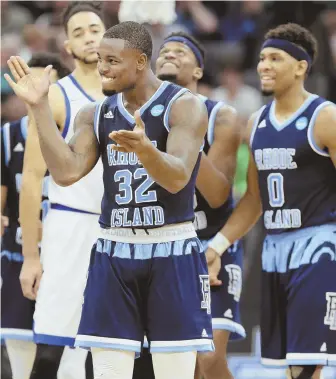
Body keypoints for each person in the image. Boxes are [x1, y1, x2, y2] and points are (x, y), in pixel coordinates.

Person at [5, 21, 213, 379]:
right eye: (100, 59)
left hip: (171, 246)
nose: (102, 67)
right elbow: (66, 172)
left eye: (112, 60)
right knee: (107, 371)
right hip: (114, 248)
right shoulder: (95, 113)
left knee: (172, 372)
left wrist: (147, 151)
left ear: (140, 61)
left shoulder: (185, 106)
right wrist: (39, 109)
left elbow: (178, 178)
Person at [206, 23, 336, 379]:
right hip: (274, 250)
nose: (264, 65)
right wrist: (218, 245)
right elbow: (253, 200)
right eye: (262, 58)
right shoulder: (256, 123)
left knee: (308, 365)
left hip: (319, 248)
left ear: (301, 67)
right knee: (289, 366)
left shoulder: (325, 117)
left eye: (275, 58)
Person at [17, 2, 106, 378]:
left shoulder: (131, 95)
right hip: (70, 226)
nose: (89, 37)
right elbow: (33, 179)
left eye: (95, 29)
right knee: (53, 348)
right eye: (78, 33)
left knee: (112, 351)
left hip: (120, 230)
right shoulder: (56, 96)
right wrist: (31, 257)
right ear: (67, 47)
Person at [156, 31, 245, 379]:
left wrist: (183, 133)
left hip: (213, 242)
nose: (170, 55)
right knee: (181, 365)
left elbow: (218, 194)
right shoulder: (141, 114)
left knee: (207, 359)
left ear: (198, 71)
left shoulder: (221, 116)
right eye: (164, 52)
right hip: (167, 244)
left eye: (180, 51)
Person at [1, 52, 69, 379]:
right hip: (19, 254)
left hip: (67, 254)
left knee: (71, 357)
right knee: (22, 360)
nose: (37, 88)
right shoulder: (7, 135)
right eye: (29, 79)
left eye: (46, 82)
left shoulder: (79, 128)